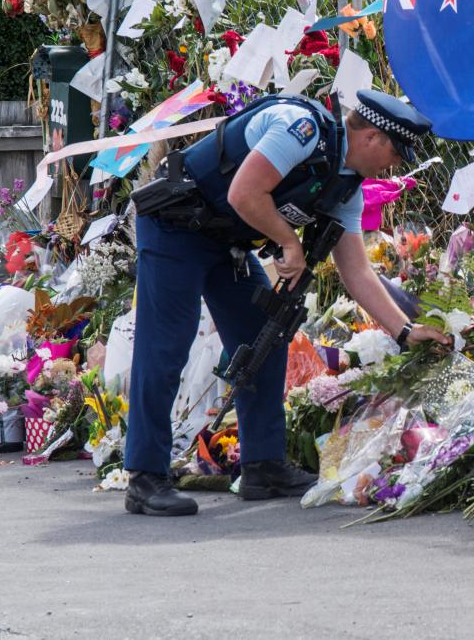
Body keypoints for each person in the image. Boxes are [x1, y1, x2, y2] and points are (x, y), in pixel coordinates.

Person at [124, 89, 449, 517]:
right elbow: (244, 192)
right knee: (165, 346)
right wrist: (288, 240)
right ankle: (145, 476)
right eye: (395, 153)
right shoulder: (301, 129)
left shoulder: (345, 186)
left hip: (226, 242)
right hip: (176, 225)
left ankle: (263, 465)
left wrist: (405, 331)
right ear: (372, 137)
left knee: (266, 331)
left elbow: (357, 273)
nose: (394, 166)